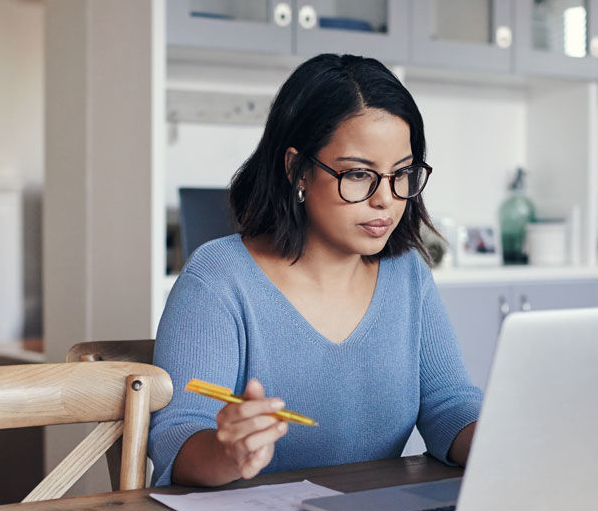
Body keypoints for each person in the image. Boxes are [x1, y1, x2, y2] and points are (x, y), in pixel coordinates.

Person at [148, 53, 481, 487]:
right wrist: (227, 452)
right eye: (360, 174)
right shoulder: (219, 278)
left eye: (402, 174)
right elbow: (177, 437)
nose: (386, 199)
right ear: (298, 169)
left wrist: (505, 442)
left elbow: (447, 405)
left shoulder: (407, 274)